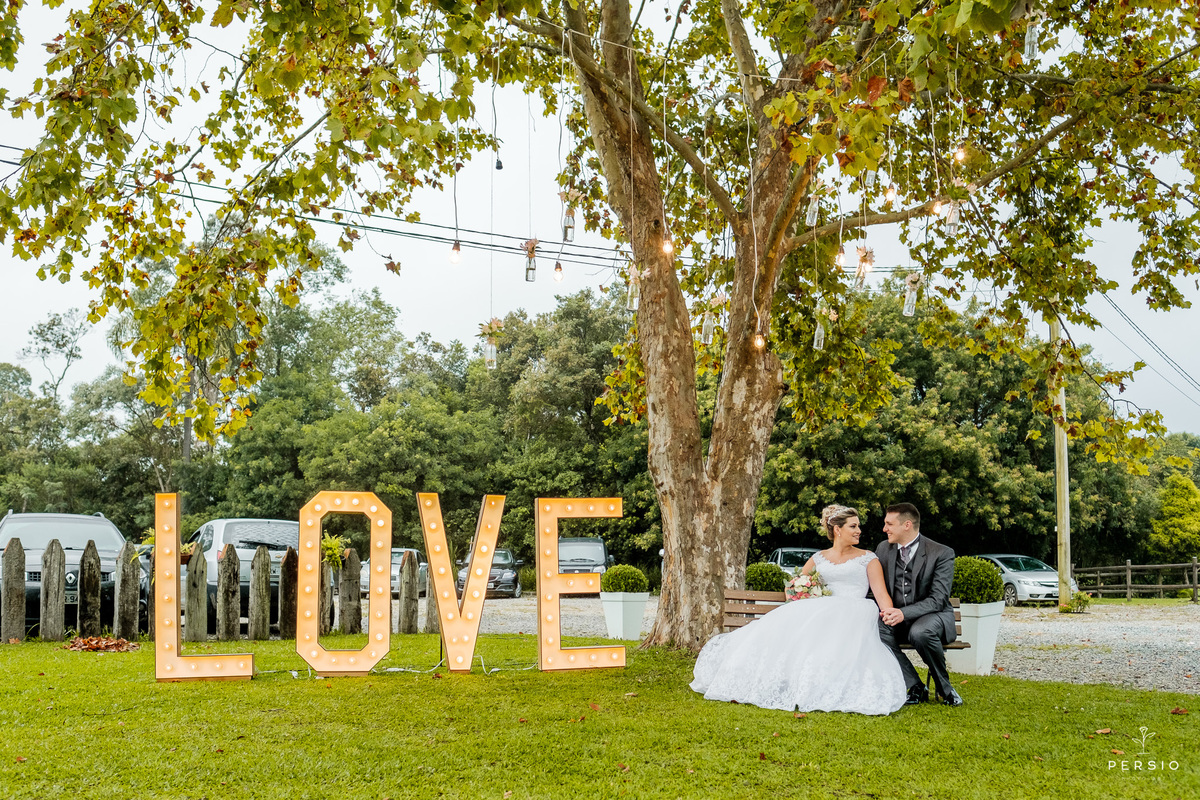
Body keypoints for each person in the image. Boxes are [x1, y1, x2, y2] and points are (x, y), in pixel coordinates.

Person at [690, 505, 906, 715]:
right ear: (837, 530)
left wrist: (891, 613)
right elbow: (796, 586)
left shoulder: (868, 558)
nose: (859, 531)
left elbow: (881, 595)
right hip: (821, 609)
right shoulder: (818, 558)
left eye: (858, 526)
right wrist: (801, 592)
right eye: (853, 526)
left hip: (854, 611)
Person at [876, 502, 963, 707]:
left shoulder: (941, 553)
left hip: (934, 616)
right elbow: (877, 587)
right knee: (874, 630)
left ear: (907, 525)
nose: (884, 529)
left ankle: (946, 689)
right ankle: (915, 685)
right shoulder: (883, 549)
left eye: (889, 524)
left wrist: (902, 613)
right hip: (898, 618)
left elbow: (938, 599)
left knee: (920, 632)